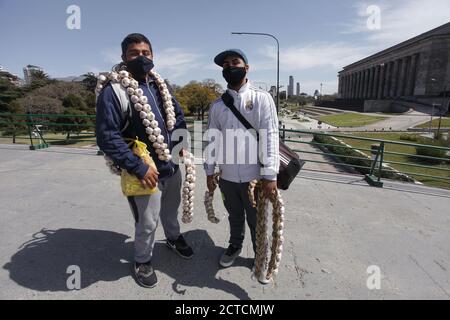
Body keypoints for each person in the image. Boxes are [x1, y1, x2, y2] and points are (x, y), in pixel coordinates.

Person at [96, 33, 193, 288]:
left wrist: (181, 146)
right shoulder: (114, 91)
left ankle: (173, 238)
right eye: (134, 53)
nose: (141, 57)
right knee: (147, 222)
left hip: (170, 167)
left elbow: (178, 117)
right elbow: (107, 137)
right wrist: (137, 167)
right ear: (124, 58)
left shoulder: (161, 85)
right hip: (143, 172)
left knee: (171, 210)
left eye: (146, 53)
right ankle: (142, 260)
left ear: (153, 55)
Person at [204, 49, 279, 272]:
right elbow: (212, 140)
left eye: (234, 62)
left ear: (246, 67)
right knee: (234, 215)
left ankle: (260, 256)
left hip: (254, 178)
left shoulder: (261, 98)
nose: (230, 67)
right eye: (225, 65)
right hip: (226, 177)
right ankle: (234, 246)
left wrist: (270, 175)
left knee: (258, 220)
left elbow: (270, 137)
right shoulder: (217, 105)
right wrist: (209, 171)